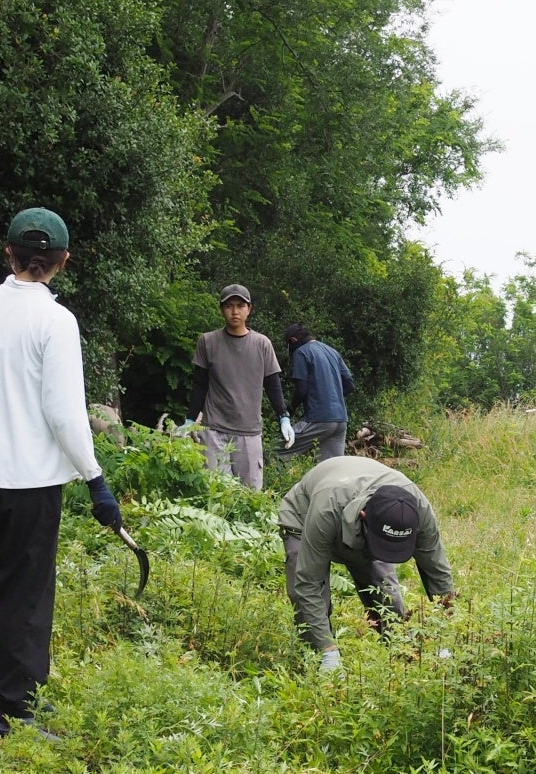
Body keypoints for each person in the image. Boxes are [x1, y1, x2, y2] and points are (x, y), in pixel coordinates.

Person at [0, 208, 122, 736]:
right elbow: (64, 411)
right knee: (28, 594)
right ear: (62, 262)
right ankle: (14, 711)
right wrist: (94, 479)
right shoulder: (55, 321)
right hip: (29, 481)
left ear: (9, 253)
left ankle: (9, 695)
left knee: (4, 589)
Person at [277, 456, 455, 672]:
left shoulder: (418, 510)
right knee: (308, 599)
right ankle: (318, 664)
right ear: (364, 518)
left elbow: (437, 572)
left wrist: (445, 637)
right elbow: (308, 584)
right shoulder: (326, 509)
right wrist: (328, 650)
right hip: (304, 516)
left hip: (359, 518)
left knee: (387, 598)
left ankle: (401, 659)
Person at [191, 284, 293, 489]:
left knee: (249, 495)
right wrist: (190, 418)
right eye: (229, 306)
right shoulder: (208, 342)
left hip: (249, 432)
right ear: (222, 309)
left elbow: (272, 385)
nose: (234, 311)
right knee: (216, 492)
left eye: (240, 305)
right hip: (214, 430)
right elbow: (199, 385)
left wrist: (283, 416)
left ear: (249, 309)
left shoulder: (262, 344)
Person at [281, 323, 355, 462]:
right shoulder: (332, 351)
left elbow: (301, 390)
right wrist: (330, 395)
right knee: (331, 469)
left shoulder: (301, 352)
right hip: (340, 419)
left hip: (319, 418)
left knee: (274, 448)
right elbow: (350, 385)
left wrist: (290, 409)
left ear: (293, 341)